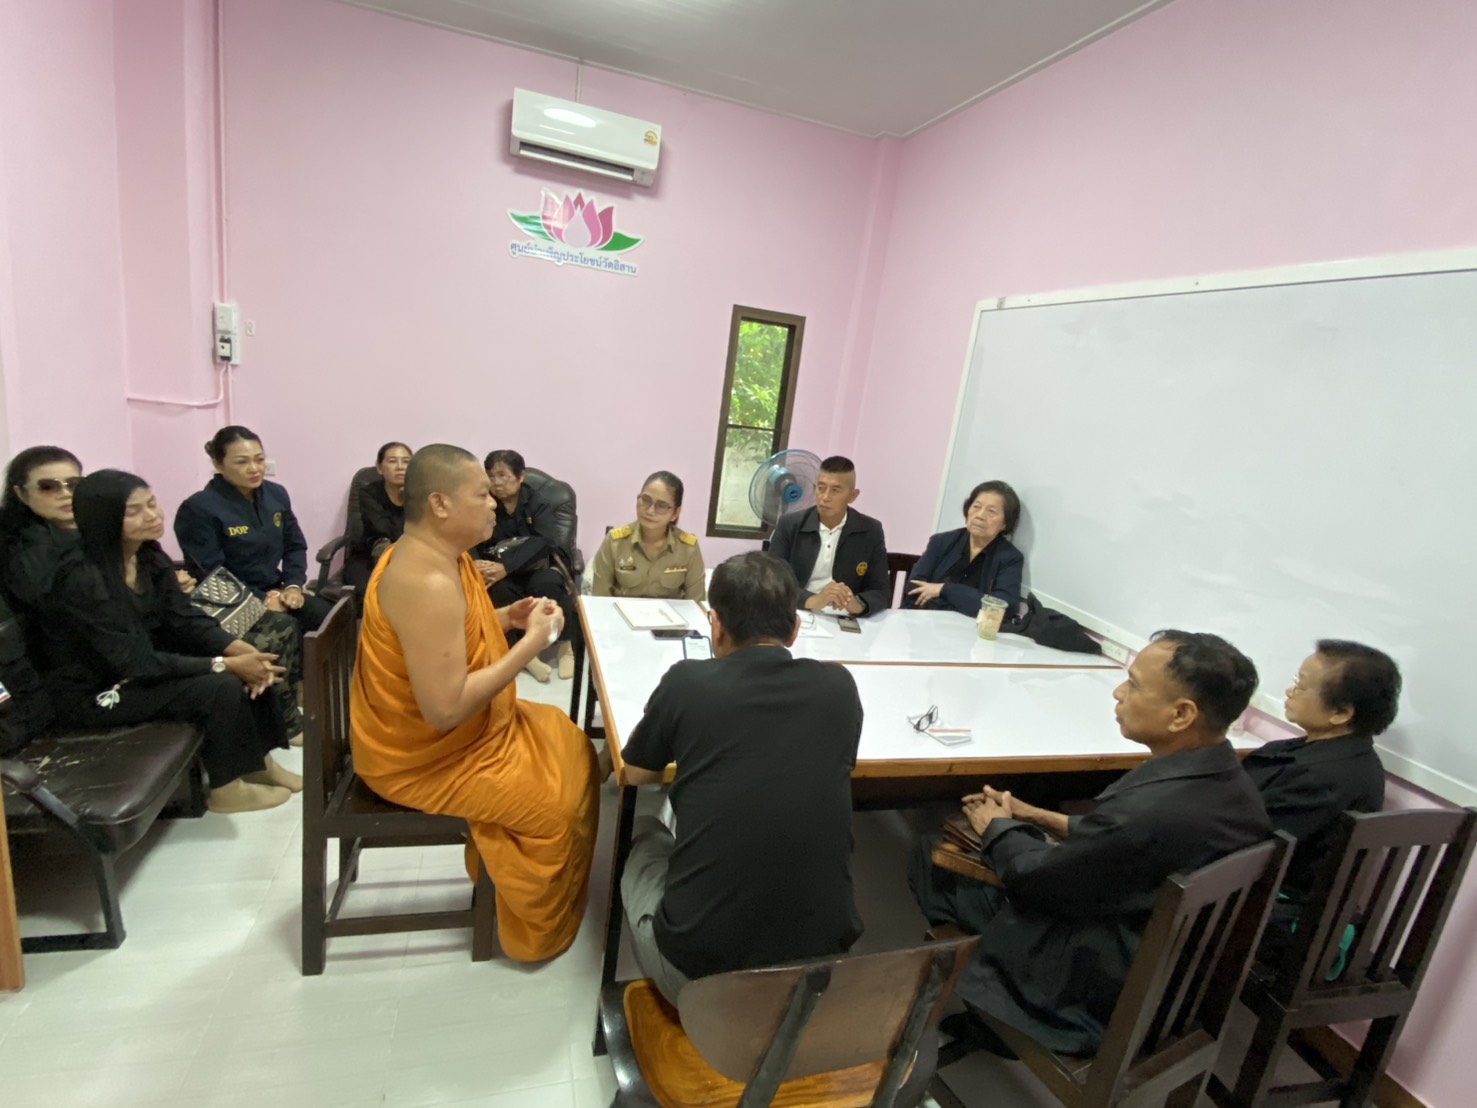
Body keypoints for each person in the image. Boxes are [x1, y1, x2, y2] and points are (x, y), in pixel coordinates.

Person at [909, 630, 1271, 1056]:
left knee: (933, 857)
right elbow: (1124, 844)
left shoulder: (1144, 814)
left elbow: (1037, 880)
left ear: (1181, 714)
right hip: (1165, 976)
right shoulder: (1231, 784)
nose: (1118, 693)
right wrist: (1037, 816)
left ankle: (996, 1017)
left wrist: (997, 827)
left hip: (1092, 993)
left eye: (1133, 684)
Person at [349, 444, 600, 962]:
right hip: (422, 758)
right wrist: (532, 643)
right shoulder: (425, 580)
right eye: (482, 494)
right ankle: (534, 933)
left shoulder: (440, 555)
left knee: (569, 741)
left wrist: (507, 618)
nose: (493, 504)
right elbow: (444, 711)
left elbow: (452, 635)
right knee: (557, 810)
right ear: (440, 504)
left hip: (460, 735)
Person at [620, 551, 864, 1004]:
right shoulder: (840, 688)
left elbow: (635, 773)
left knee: (646, 830)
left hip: (701, 980)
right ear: (794, 629)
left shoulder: (687, 682)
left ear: (715, 626)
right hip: (820, 971)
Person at [33, 470, 298, 813]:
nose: (152, 515)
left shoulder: (146, 554)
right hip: (96, 691)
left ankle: (261, 765)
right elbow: (133, 662)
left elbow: (182, 616)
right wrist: (225, 664)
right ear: (103, 519)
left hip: (138, 667)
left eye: (152, 503)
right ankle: (227, 789)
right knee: (221, 685)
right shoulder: (81, 577)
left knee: (253, 658)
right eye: (134, 511)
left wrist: (236, 648)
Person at [1245, 641, 1394, 940]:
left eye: (1301, 686)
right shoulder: (1322, 752)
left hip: (1281, 917)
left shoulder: (1323, 777)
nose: (1290, 691)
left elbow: (1243, 844)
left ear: (1341, 712)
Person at [175, 425, 333, 634]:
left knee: (328, 616)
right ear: (218, 465)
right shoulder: (198, 508)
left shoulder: (276, 494)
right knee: (287, 629)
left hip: (274, 589)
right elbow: (211, 573)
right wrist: (260, 599)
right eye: (242, 462)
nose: (254, 468)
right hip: (228, 601)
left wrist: (293, 586)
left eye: (259, 459)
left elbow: (294, 546)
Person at [472, 449, 578, 681]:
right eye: (491, 476)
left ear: (520, 477)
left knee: (549, 583)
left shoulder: (536, 502)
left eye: (503, 475)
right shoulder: (486, 504)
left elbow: (545, 541)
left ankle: (566, 647)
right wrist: (477, 562)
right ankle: (525, 655)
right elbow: (473, 534)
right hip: (502, 571)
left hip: (536, 566)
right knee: (497, 589)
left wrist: (506, 568)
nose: (496, 483)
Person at [767, 455, 889, 616]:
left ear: (853, 496)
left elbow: (881, 591)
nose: (825, 497)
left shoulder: (870, 530)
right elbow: (772, 581)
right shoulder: (789, 524)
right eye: (821, 488)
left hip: (844, 615)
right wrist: (813, 600)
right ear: (814, 488)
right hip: (798, 611)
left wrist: (857, 604)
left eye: (835, 490)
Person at [905, 480, 1025, 616]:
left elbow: (1004, 605)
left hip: (969, 627)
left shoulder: (1010, 558)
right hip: (923, 618)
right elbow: (914, 585)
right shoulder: (941, 541)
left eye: (991, 511)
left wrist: (945, 590)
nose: (980, 516)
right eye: (976, 507)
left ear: (1005, 523)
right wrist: (966, 603)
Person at [591, 471, 706, 601]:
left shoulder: (688, 549)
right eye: (645, 500)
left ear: (675, 513)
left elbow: (696, 603)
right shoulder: (614, 542)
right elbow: (599, 599)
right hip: (620, 614)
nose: (650, 511)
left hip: (671, 614)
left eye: (662, 506)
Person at [1, 446, 84, 622]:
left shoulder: (106, 529)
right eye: (47, 487)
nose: (65, 494)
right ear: (21, 494)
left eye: (73, 484)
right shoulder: (22, 549)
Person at [346, 441, 411, 593]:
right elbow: (384, 530)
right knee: (372, 591)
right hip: (368, 557)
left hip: (409, 557)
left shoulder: (419, 495)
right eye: (392, 461)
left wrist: (410, 498)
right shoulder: (368, 493)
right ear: (380, 467)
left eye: (406, 462)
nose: (400, 467)